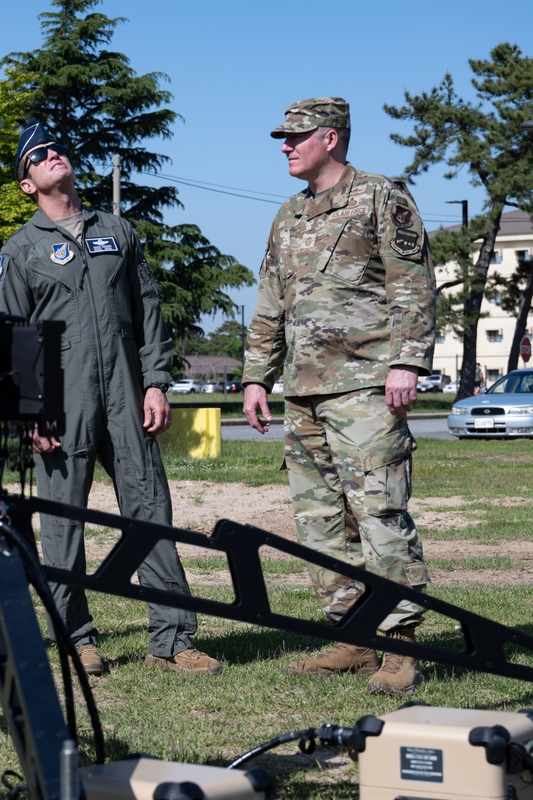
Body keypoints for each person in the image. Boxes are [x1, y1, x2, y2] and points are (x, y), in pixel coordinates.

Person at [0, 119, 221, 677]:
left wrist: (157, 383)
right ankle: (77, 639)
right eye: (38, 155)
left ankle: (172, 638)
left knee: (149, 508)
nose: (53, 155)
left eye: (57, 148)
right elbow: (11, 333)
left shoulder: (117, 232)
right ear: (27, 184)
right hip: (60, 402)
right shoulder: (20, 250)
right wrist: (30, 409)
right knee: (62, 521)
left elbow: (149, 312)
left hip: (125, 390)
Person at [242, 98, 436, 696]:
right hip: (303, 391)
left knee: (378, 512)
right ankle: (354, 635)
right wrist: (255, 376)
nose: (285, 146)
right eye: (282, 137)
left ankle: (399, 644)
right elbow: (271, 298)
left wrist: (407, 360)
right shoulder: (288, 215)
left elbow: (413, 283)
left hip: (366, 384)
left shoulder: (382, 196)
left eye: (295, 136)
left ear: (331, 137)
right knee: (320, 522)